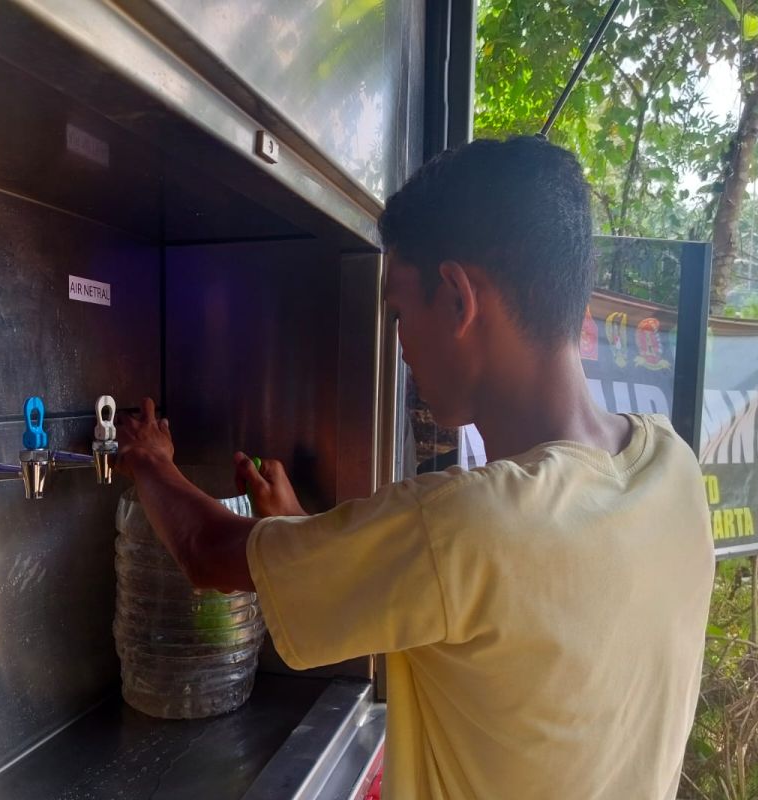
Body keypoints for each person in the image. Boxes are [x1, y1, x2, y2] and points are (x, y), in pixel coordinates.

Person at [116, 136, 714, 800]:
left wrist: (150, 461)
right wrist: (301, 535)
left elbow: (205, 552)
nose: (400, 346)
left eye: (399, 312)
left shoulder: (468, 525)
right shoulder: (672, 470)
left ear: (458, 299)